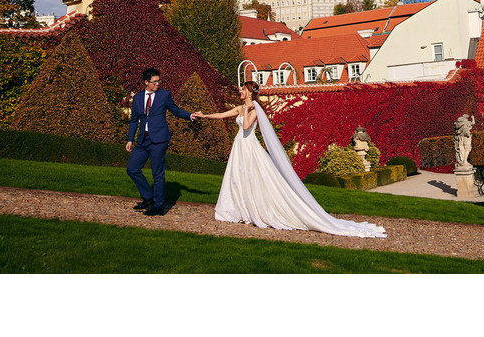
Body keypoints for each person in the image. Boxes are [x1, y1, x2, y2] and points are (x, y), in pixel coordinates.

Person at [193, 81, 386, 238]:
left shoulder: (253, 110)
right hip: (239, 147)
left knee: (255, 178)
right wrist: (204, 115)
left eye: (242, 89)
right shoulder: (242, 107)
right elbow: (221, 115)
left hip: (249, 147)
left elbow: (245, 128)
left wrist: (245, 111)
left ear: (250, 92)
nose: (240, 91)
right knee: (237, 178)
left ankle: (259, 210)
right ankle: (239, 210)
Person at [126, 67, 195, 216]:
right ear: (146, 82)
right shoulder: (137, 98)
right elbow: (133, 121)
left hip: (159, 140)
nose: (158, 84)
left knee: (157, 174)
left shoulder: (164, 95)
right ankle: (148, 198)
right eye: (155, 82)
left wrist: (190, 116)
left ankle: (158, 206)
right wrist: (130, 139)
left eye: (159, 81)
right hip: (142, 141)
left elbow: (175, 110)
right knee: (132, 169)